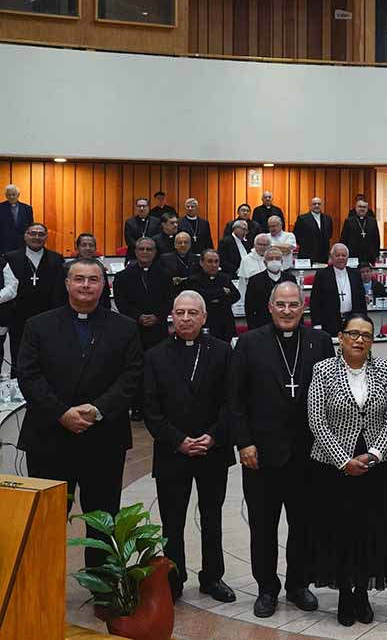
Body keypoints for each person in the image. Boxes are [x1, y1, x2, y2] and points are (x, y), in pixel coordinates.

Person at [16, 258, 141, 569]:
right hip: (49, 438)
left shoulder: (124, 327)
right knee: (48, 518)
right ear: (67, 284)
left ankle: (104, 589)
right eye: (79, 279)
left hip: (103, 437)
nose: (86, 285)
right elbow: (28, 376)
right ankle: (45, 591)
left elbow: (132, 376)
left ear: (104, 286)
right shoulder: (38, 325)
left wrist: (98, 409)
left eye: (93, 280)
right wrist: (61, 413)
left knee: (103, 519)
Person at [228, 281, 333, 618]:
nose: (287, 311)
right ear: (270, 307)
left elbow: (331, 398)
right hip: (260, 455)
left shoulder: (319, 342)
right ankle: (266, 588)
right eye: (281, 305)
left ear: (303, 308)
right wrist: (244, 442)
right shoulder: (248, 343)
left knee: (304, 525)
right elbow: (234, 400)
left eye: (293, 305)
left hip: (308, 455)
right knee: (263, 526)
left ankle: (299, 584)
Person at [307, 313, 387, 627]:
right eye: (353, 333)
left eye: (366, 335)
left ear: (373, 341)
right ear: (341, 336)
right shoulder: (323, 370)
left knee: (370, 530)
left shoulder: (386, 370)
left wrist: (374, 454)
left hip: (374, 467)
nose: (359, 340)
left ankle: (362, 591)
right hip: (334, 469)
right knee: (340, 530)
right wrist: (343, 460)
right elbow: (316, 421)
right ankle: (345, 594)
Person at [143, 291, 236, 603]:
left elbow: (230, 402)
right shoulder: (155, 355)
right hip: (172, 453)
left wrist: (213, 436)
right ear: (171, 315)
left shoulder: (223, 352)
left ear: (204, 317)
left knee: (212, 517)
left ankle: (212, 577)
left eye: (192, 313)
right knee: (173, 521)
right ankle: (174, 578)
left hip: (213, 450)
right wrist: (178, 440)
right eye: (180, 312)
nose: (185, 318)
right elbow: (150, 409)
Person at [6, 223, 66, 367]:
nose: (36, 237)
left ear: (46, 237)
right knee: (19, 354)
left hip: (49, 315)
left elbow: (60, 291)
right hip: (18, 316)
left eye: (41, 234)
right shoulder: (11, 258)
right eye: (32, 233)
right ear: (25, 236)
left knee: (48, 355)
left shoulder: (56, 259)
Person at [113, 237, 172, 359]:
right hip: (133, 327)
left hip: (158, 328)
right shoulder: (122, 276)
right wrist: (138, 316)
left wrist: (157, 316)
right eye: (141, 249)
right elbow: (120, 301)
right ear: (135, 252)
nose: (145, 252)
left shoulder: (166, 275)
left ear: (155, 252)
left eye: (149, 249)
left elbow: (170, 299)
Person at [181, 249, 240, 341]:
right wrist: (222, 292)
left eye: (216, 261)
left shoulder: (225, 277)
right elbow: (200, 297)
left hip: (225, 323)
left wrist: (212, 296)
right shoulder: (193, 280)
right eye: (210, 261)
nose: (214, 265)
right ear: (201, 263)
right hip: (205, 323)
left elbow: (236, 295)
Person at [310, 243, 367, 334]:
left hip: (352, 322)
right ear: (332, 257)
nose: (341, 258)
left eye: (344, 255)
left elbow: (361, 301)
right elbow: (315, 301)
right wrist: (317, 324)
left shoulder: (355, 274)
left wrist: (363, 321)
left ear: (347, 258)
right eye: (337, 255)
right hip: (329, 323)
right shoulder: (322, 275)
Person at [244, 248, 295, 330]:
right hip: (262, 324)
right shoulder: (255, 280)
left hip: (285, 321)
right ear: (264, 262)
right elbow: (249, 307)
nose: (274, 261)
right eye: (270, 259)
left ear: (281, 262)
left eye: (277, 258)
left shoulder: (290, 278)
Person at [72, 233, 111, 309]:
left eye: (91, 245)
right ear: (77, 248)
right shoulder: (66, 268)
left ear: (95, 248)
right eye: (84, 245)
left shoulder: (100, 268)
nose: (88, 248)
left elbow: (105, 296)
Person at [294, 197, 334, 264]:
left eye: (319, 204)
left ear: (322, 206)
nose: (317, 206)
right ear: (310, 206)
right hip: (307, 254)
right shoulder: (302, 219)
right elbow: (297, 235)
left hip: (323, 255)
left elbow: (329, 234)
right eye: (314, 204)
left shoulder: (328, 219)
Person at [342, 199, 381, 265]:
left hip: (369, 255)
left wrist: (376, 254)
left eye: (364, 207)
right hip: (353, 255)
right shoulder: (349, 221)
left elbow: (376, 239)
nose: (362, 209)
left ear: (367, 209)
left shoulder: (372, 221)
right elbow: (344, 239)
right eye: (360, 206)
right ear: (356, 208)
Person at [0, 184, 34, 253]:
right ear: (6, 196)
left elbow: (30, 227)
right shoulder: (0, 207)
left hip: (22, 244)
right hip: (4, 245)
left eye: (13, 194)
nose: (11, 197)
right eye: (9, 195)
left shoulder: (27, 208)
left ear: (18, 195)